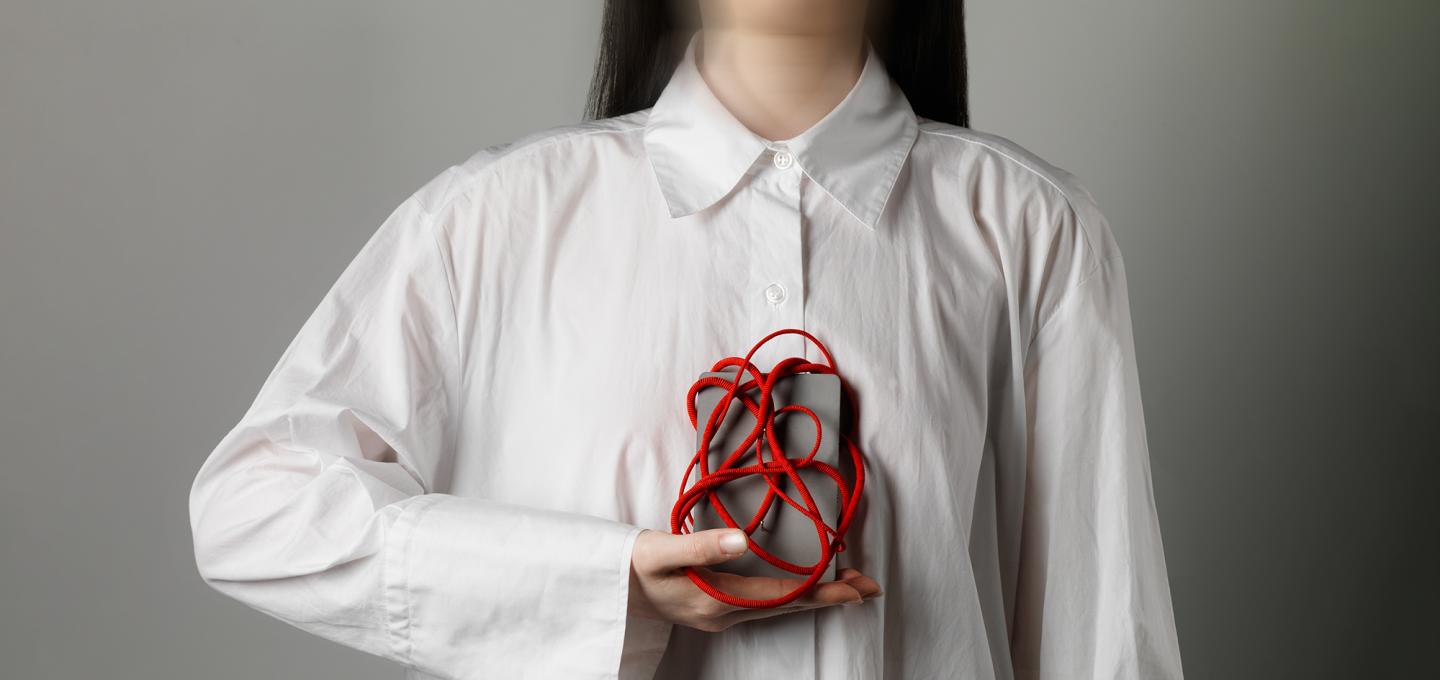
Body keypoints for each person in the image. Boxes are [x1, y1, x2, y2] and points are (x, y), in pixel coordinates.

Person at [188, 0, 1184, 678]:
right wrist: (604, 578)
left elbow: (1104, 639)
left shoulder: (1028, 229)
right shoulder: (498, 217)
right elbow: (252, 505)